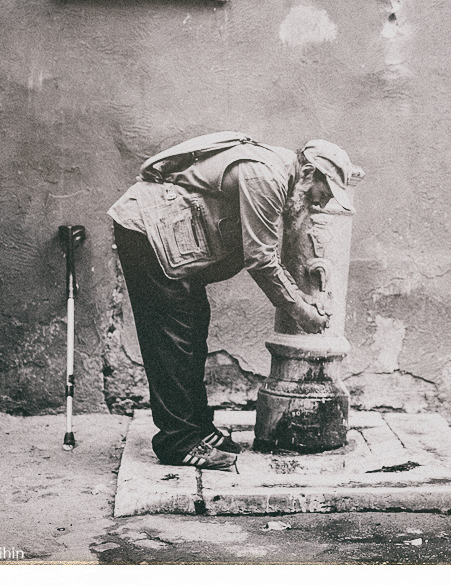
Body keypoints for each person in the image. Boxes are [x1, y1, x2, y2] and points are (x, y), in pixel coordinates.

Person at [108, 137, 355, 470]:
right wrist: (300, 310)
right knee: (172, 338)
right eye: (323, 192)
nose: (322, 202)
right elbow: (261, 259)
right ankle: (178, 442)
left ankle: (197, 428)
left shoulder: (279, 170)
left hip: (169, 241)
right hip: (149, 232)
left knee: (192, 328)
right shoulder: (267, 176)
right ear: (309, 172)